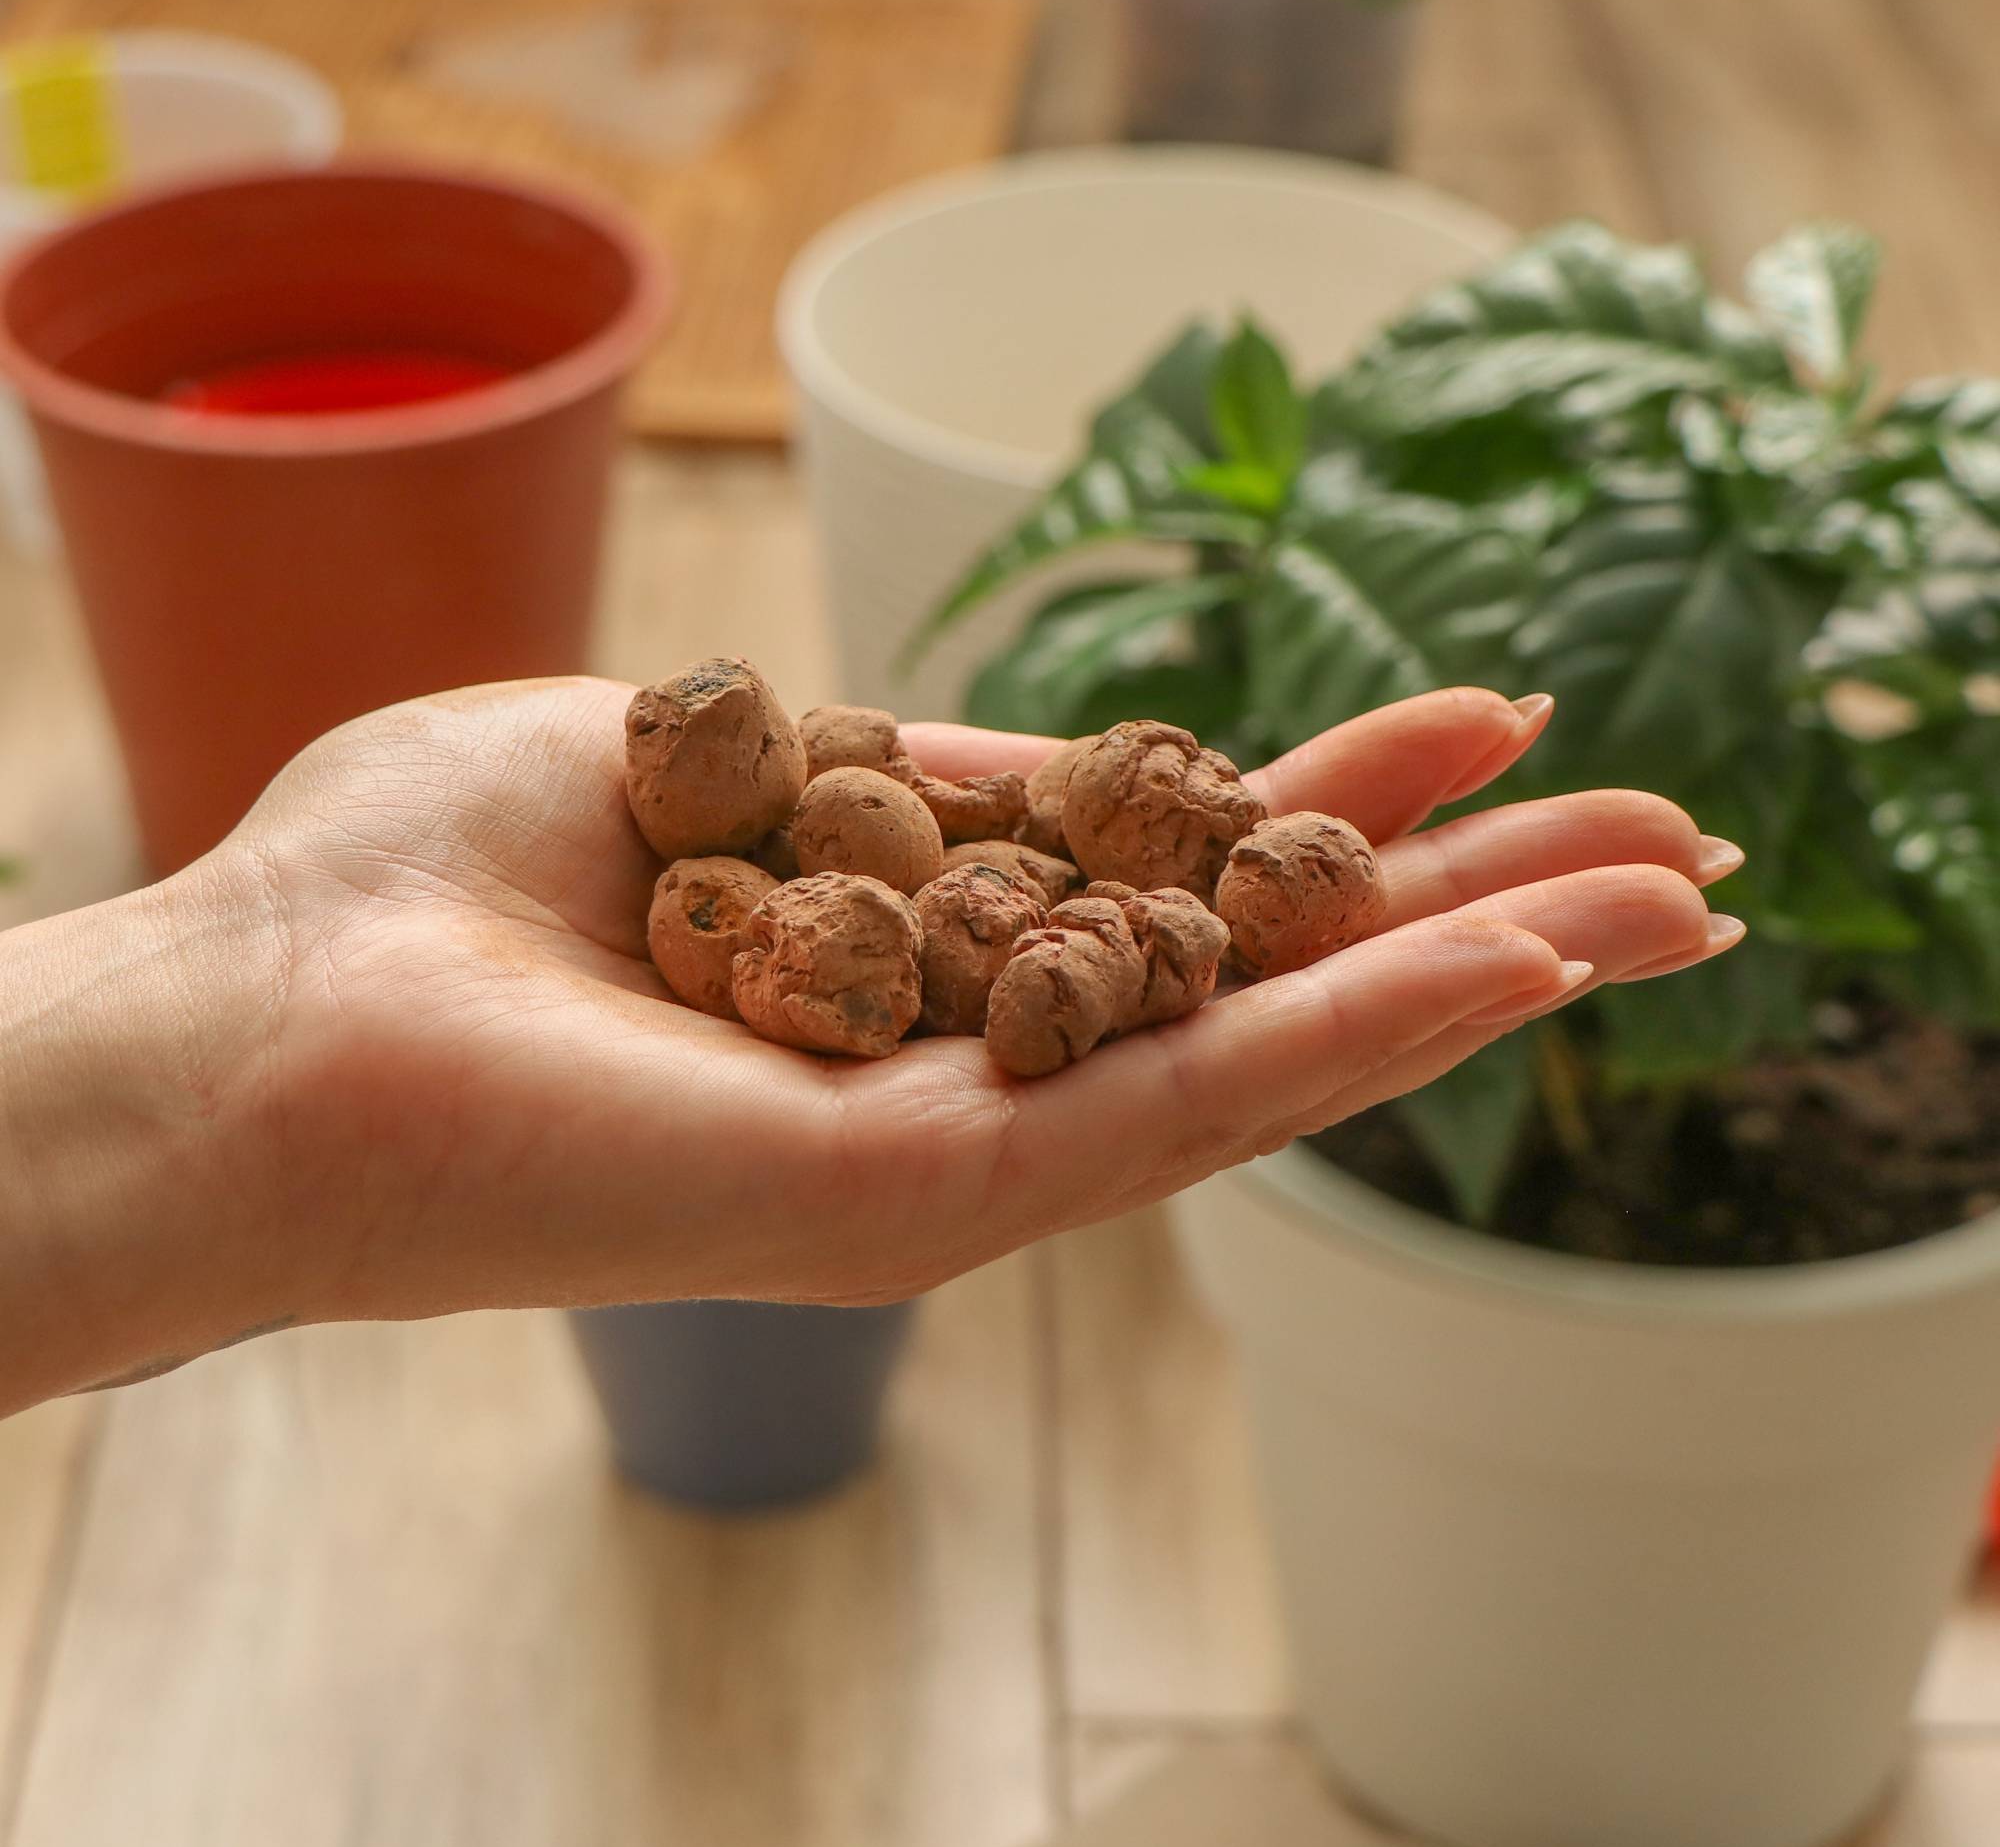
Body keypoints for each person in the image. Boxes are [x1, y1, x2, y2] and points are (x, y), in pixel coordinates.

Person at [0, 678, 1743, 1418]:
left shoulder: (980, 861)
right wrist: (271, 975)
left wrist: (250, 1023)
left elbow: (941, 835)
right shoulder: (804, 853)